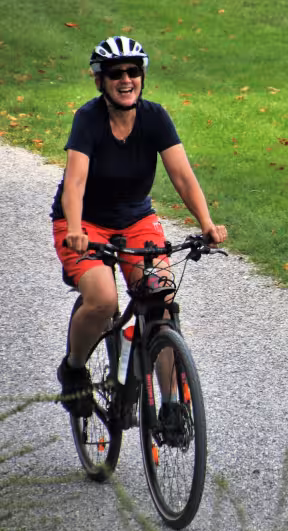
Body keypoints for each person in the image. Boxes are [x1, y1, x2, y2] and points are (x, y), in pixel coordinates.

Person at [50, 36, 227, 417]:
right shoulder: (88, 120)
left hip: (136, 219)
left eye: (133, 71)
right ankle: (74, 368)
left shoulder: (155, 117)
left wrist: (207, 224)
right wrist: (75, 229)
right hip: (84, 224)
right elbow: (75, 183)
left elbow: (183, 176)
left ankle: (171, 405)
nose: (126, 80)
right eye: (116, 74)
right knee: (103, 300)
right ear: (100, 80)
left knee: (160, 298)